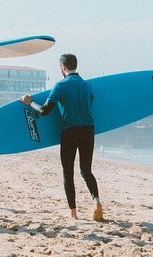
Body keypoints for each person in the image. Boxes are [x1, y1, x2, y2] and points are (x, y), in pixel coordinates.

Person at [21, 54, 103, 221]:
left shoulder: (60, 86)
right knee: (86, 170)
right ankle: (96, 201)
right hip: (88, 130)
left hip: (70, 131)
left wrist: (29, 102)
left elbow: (44, 111)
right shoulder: (87, 86)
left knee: (68, 173)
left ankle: (73, 212)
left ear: (63, 67)